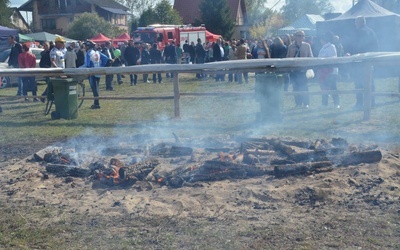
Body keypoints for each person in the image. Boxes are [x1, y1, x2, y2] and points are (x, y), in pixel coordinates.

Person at [352, 15, 379, 109]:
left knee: (359, 83)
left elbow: (359, 47)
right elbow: (376, 47)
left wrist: (352, 54)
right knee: (370, 81)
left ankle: (359, 103)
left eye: (356, 22)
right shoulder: (372, 32)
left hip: (361, 61)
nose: (355, 24)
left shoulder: (361, 32)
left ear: (360, 22)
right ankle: (372, 102)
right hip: (370, 60)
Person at [287, 30, 313, 108]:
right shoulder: (290, 46)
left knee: (304, 87)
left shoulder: (307, 45)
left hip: (303, 70)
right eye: (299, 35)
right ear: (295, 37)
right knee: (295, 87)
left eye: (302, 36)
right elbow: (287, 57)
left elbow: (311, 57)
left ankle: (306, 103)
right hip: (294, 70)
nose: (301, 37)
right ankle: (298, 103)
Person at [317, 32, 340, 109]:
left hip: (331, 71)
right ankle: (324, 103)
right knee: (324, 88)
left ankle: (336, 103)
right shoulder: (323, 48)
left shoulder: (331, 46)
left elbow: (332, 57)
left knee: (333, 87)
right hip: (323, 71)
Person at [84, 41, 109, 109]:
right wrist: (101, 66)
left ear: (88, 46)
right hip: (98, 71)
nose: (85, 47)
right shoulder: (97, 52)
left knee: (94, 89)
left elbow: (87, 65)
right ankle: (96, 102)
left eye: (85, 46)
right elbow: (105, 58)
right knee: (97, 88)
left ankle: (96, 103)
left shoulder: (88, 53)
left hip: (92, 72)